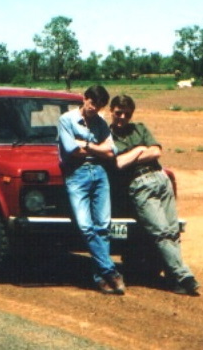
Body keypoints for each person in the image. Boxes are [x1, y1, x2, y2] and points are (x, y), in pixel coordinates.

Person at [108, 94, 200, 296]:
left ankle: (173, 276)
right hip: (139, 184)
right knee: (160, 232)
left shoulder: (139, 128)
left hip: (160, 178)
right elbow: (118, 163)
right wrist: (141, 148)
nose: (122, 117)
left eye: (126, 114)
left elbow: (156, 152)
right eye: (118, 113)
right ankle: (184, 276)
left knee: (172, 230)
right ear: (111, 111)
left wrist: (133, 154)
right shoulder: (107, 136)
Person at [58, 85, 124, 294]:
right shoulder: (66, 120)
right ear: (85, 99)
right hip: (77, 175)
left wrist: (87, 144)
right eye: (93, 103)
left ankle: (101, 278)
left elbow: (111, 151)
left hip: (100, 174)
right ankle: (111, 271)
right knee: (86, 226)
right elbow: (72, 150)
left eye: (99, 105)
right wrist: (97, 149)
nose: (95, 108)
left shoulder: (101, 122)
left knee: (103, 226)